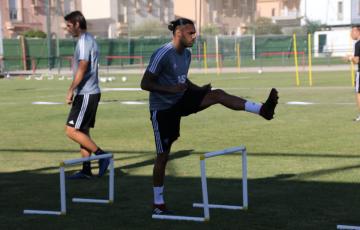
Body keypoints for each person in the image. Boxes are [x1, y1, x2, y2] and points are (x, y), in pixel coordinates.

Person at [140, 18, 279, 215]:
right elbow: (145, 83)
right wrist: (170, 89)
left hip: (181, 99)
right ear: (178, 33)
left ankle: (262, 110)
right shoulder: (162, 53)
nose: (195, 36)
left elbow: (182, 79)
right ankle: (158, 203)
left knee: (217, 94)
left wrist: (198, 90)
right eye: (191, 33)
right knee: (163, 156)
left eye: (195, 32)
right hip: (163, 109)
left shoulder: (186, 55)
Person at [64, 11, 109, 179]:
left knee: (71, 130)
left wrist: (71, 90)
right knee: (83, 131)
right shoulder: (89, 39)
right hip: (89, 92)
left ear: (76, 24)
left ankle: (102, 156)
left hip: (87, 93)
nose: (67, 29)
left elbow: (83, 66)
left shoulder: (84, 41)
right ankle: (86, 170)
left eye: (69, 25)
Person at [346, 25, 360, 121]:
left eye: (352, 32)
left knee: (358, 93)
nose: (351, 34)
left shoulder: (358, 44)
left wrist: (350, 58)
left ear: (358, 32)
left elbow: (356, 60)